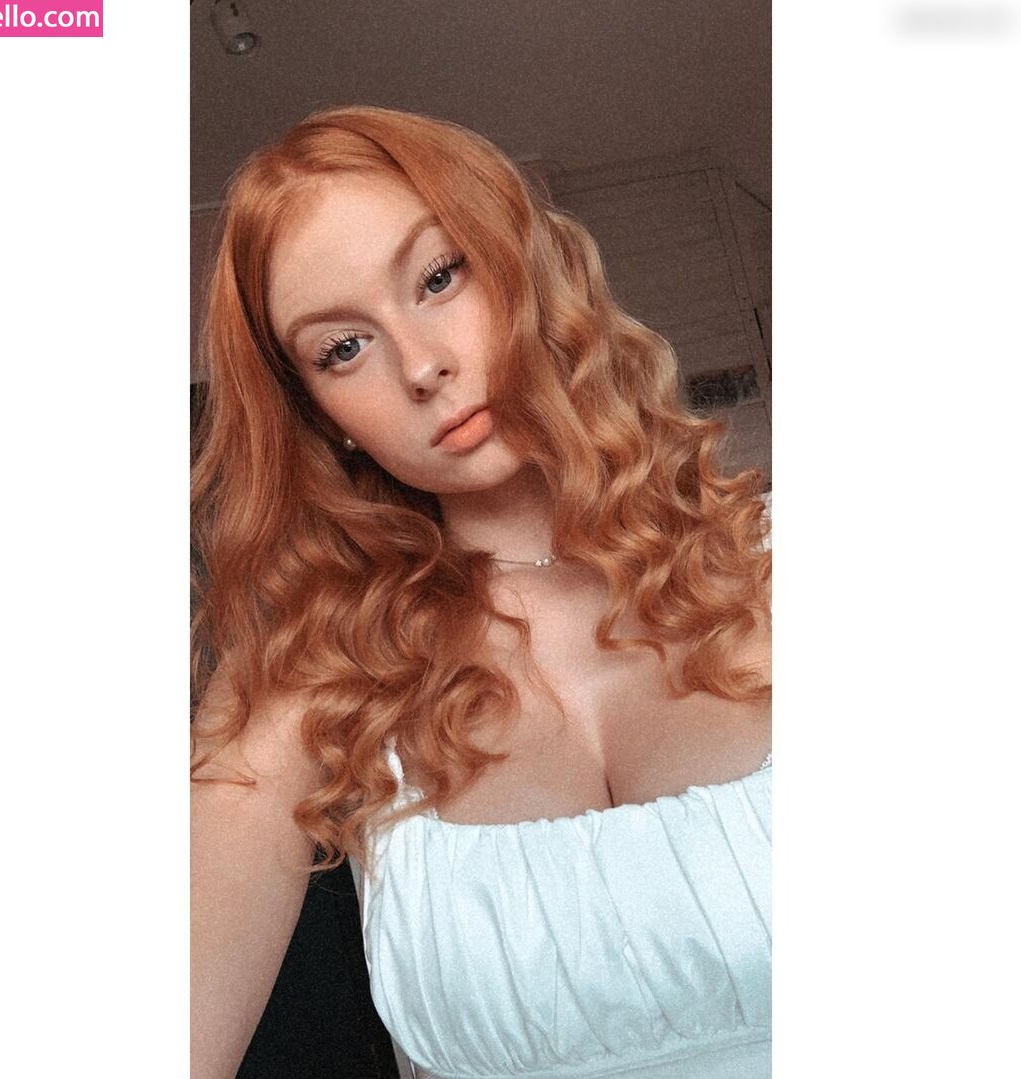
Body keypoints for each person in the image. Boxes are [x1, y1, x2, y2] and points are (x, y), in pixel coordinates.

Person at [191, 105, 772, 1079]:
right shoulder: (309, 681)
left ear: (521, 265)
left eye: (437, 277)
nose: (422, 366)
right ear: (320, 416)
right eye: (343, 348)